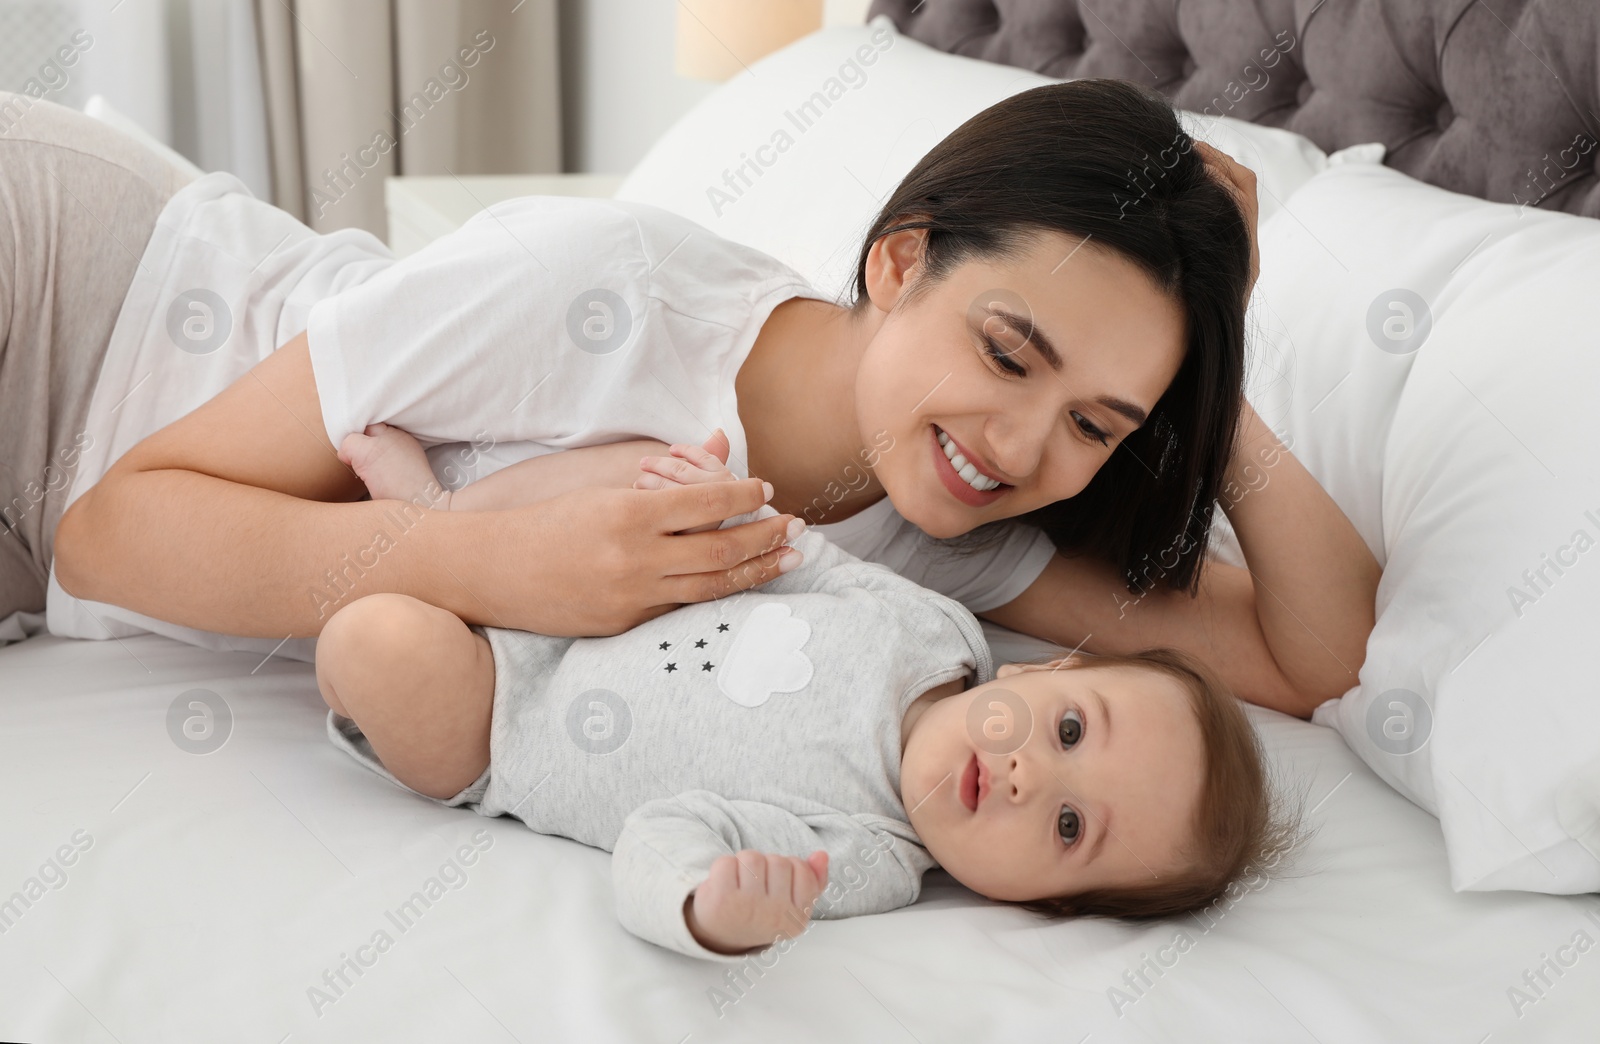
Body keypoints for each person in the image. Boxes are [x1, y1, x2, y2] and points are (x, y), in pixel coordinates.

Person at [35, 77, 1377, 718]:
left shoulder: (937, 527)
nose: (1023, 443)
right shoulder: (602, 288)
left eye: (1100, 424)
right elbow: (110, 528)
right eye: (1010, 353)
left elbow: (1316, 662)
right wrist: (483, 559)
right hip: (76, 297)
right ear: (900, 261)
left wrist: (1212, 347)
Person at [315, 428, 1299, 959]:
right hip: (575, 598)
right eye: (1071, 730)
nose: (1024, 775)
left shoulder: (863, 857)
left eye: (1072, 827)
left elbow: (666, 832)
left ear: (1048, 903)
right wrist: (716, 501)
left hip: (502, 716)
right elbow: (805, 561)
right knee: (638, 468)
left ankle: (417, 538)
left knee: (374, 638)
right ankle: (439, 521)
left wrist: (710, 908)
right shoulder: (938, 635)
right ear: (1052, 671)